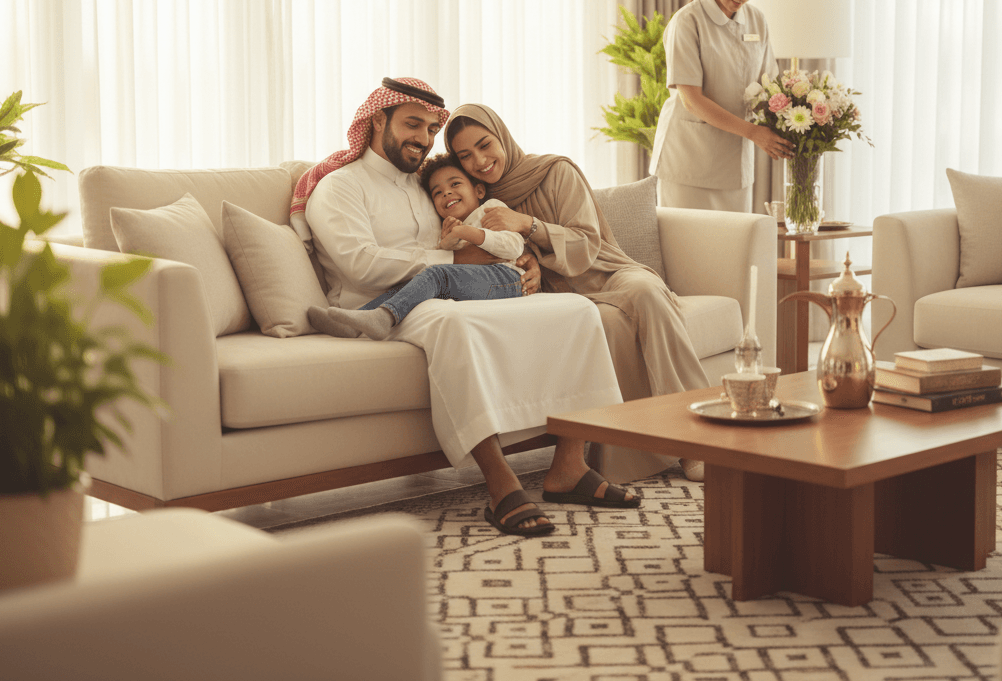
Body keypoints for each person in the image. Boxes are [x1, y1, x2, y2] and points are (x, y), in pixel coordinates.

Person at [291, 77, 640, 537]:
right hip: (383, 304)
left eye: (432, 127)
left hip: (455, 290)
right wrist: (453, 260)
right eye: (413, 124)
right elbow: (360, 265)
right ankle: (500, 483)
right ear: (378, 120)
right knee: (452, 324)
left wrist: (523, 259)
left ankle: (569, 467)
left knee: (576, 309)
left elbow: (479, 231)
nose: (424, 137)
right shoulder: (340, 186)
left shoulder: (425, 184)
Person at [445, 104, 710, 483]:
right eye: (465, 156)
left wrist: (530, 225)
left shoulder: (556, 171)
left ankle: (695, 440)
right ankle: (636, 454)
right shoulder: (480, 199)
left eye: (485, 145)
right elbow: (487, 253)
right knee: (605, 324)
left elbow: (587, 243)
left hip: (605, 272)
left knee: (647, 292)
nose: (480, 161)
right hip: (558, 296)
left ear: (501, 135)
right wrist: (527, 263)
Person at [649, 0, 795, 212]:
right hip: (688, 163)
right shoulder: (687, 21)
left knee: (734, 252)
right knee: (688, 252)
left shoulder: (756, 21)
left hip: (734, 167)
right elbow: (691, 99)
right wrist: (754, 133)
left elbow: (771, 88)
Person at [306, 154, 524, 340]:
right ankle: (357, 321)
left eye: (455, 184)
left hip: (506, 278)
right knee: (417, 280)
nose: (446, 193)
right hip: (477, 280)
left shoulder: (492, 209)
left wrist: (470, 234)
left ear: (478, 190)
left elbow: (514, 247)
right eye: (437, 192)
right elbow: (450, 255)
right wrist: (449, 240)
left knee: (436, 274)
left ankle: (385, 317)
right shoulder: (451, 225)